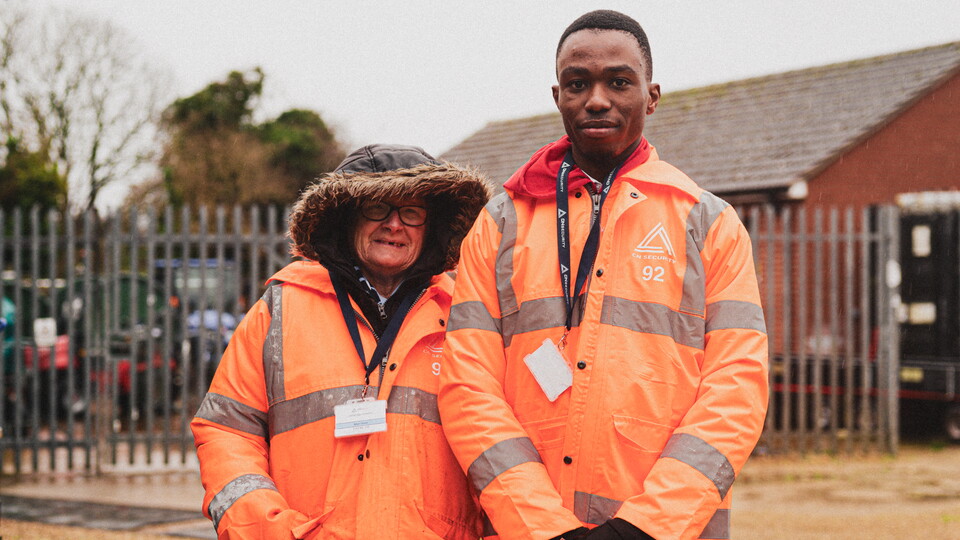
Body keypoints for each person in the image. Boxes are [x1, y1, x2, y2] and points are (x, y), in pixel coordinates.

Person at [438, 10, 768, 540]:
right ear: (557, 96)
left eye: (618, 81)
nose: (596, 99)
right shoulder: (499, 224)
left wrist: (643, 528)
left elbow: (736, 392)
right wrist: (542, 527)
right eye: (578, 83)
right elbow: (467, 387)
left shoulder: (710, 224)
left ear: (652, 95)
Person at [192, 144, 492, 539]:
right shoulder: (280, 309)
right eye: (377, 207)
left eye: (412, 212)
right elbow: (227, 431)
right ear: (346, 217)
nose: (394, 225)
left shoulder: (470, 315)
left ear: (431, 225)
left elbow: (502, 443)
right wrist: (270, 530)